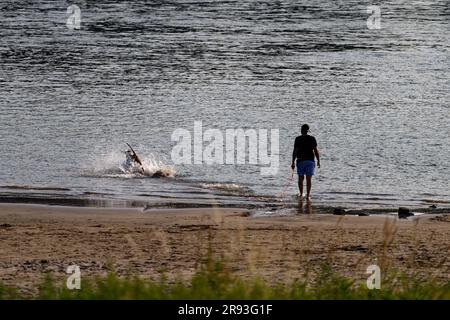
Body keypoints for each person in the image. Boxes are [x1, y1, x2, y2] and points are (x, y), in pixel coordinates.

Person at [291, 124, 320, 200]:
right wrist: (318, 161)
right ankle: (308, 196)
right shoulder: (312, 138)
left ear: (301, 130)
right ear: (308, 131)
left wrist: (293, 162)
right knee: (309, 179)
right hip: (310, 161)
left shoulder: (298, 139)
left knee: (300, 178)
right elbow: (316, 151)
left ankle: (301, 194)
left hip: (300, 161)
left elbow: (295, 151)